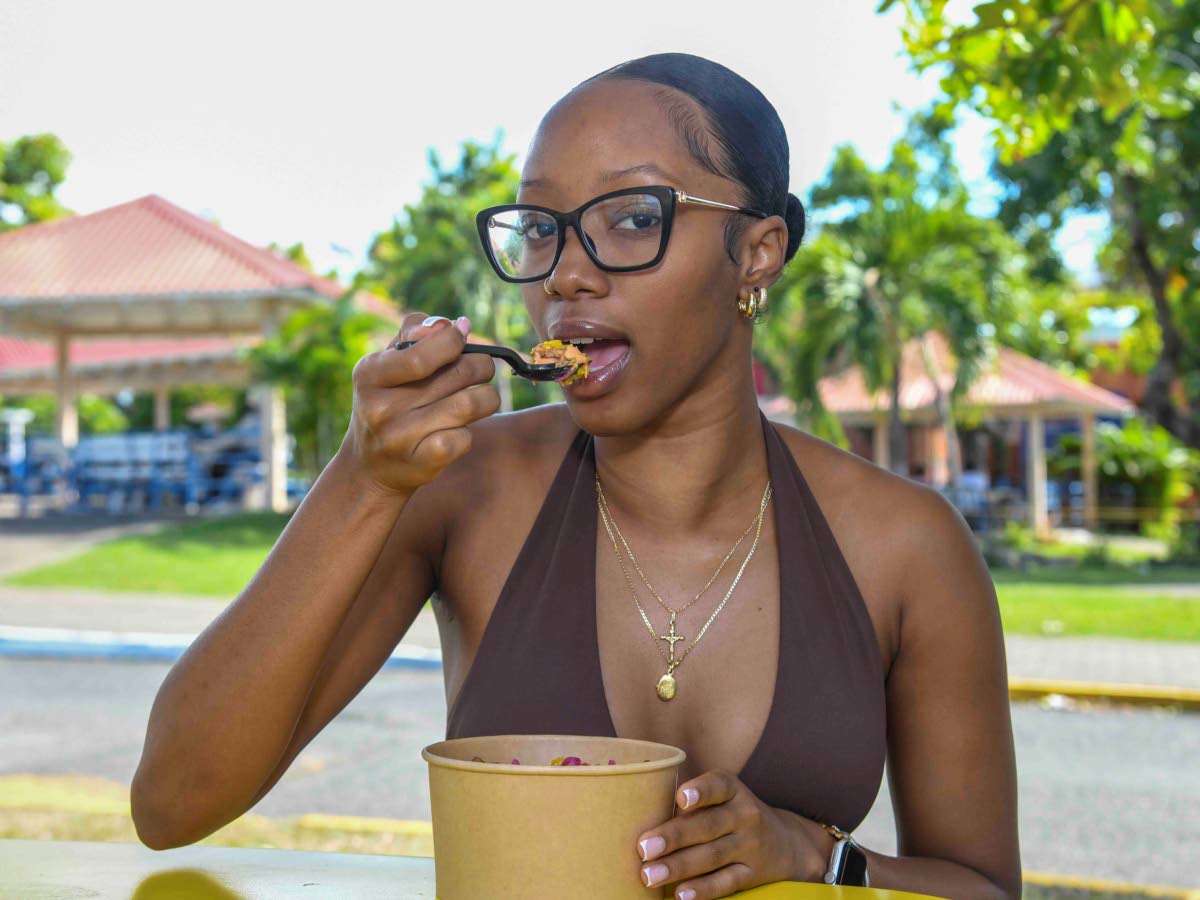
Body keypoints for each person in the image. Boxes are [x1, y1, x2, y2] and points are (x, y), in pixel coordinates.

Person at [132, 53, 1020, 898]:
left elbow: (980, 886)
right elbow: (174, 801)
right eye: (543, 229)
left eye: (633, 217)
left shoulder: (906, 547)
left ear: (757, 253)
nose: (565, 273)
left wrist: (817, 857)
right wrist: (362, 482)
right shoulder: (460, 489)